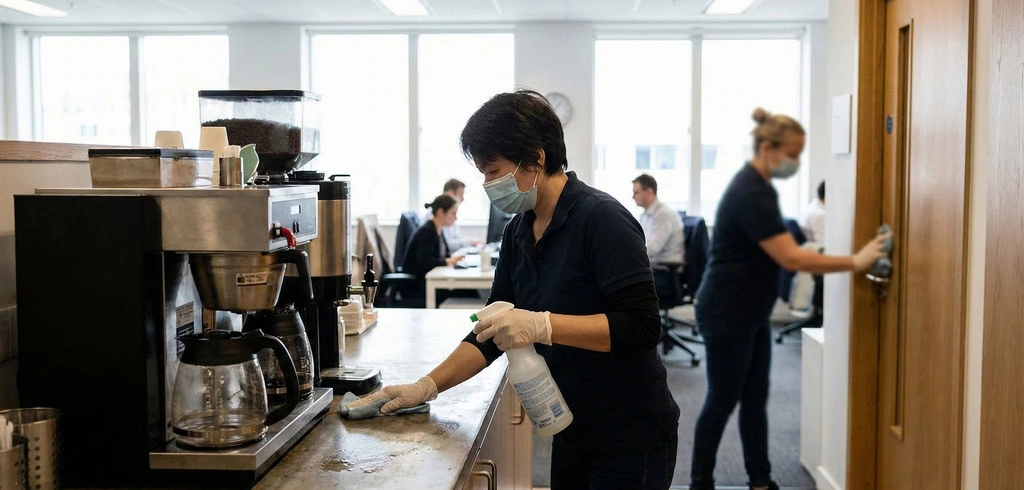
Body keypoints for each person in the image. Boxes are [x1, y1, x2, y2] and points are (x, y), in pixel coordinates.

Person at [351, 90, 680, 489]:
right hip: (574, 425)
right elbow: (490, 328)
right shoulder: (519, 230)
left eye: (493, 170)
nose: (488, 184)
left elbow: (642, 327)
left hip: (629, 431)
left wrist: (543, 326)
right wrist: (427, 386)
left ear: (537, 159)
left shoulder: (602, 219)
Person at [689, 108, 889, 490]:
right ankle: (701, 483)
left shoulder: (760, 188)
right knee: (722, 400)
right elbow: (792, 258)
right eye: (794, 154)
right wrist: (857, 260)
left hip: (751, 311)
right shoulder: (750, 192)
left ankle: (760, 481)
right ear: (769, 149)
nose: (796, 162)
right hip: (727, 310)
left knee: (755, 399)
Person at [402, 195, 467, 304]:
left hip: (428, 280)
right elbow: (425, 262)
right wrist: (448, 261)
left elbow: (443, 255)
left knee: (466, 291)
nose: (455, 218)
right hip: (418, 285)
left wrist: (450, 261)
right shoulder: (427, 232)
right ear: (441, 212)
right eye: (453, 213)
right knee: (467, 292)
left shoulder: (438, 230)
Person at [632, 173, 685, 267]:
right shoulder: (645, 215)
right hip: (653, 267)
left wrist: (631, 256)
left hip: (664, 270)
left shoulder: (663, 215)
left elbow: (653, 249)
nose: (633, 197)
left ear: (649, 192)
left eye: (636, 192)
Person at [424, 178, 482, 250]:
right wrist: (470, 242)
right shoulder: (435, 216)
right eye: (461, 195)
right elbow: (445, 244)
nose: (463, 199)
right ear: (450, 193)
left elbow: (456, 237)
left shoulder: (449, 214)